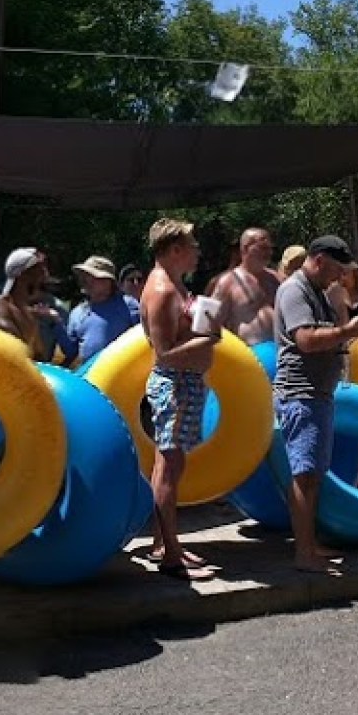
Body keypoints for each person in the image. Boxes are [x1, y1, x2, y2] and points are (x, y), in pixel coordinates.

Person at [274, 235, 358, 574]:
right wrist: (346, 332)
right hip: (301, 395)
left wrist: (354, 320)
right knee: (304, 476)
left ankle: (310, 544)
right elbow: (305, 340)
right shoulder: (294, 290)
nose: (337, 276)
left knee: (313, 475)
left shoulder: (317, 291)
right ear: (317, 260)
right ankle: (304, 553)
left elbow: (334, 329)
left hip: (316, 394)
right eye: (334, 268)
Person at [140, 219, 219, 581]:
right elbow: (165, 353)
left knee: (167, 466)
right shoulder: (161, 290)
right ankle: (171, 555)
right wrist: (209, 338)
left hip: (184, 385)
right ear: (175, 250)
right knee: (169, 470)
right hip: (174, 385)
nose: (198, 251)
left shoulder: (174, 286)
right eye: (193, 245)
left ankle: (165, 543)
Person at [210, 226, 281, 345]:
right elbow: (211, 323)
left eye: (270, 248)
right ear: (245, 248)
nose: (268, 252)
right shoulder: (227, 282)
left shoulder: (277, 279)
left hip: (278, 353)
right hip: (248, 355)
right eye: (263, 248)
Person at [67, 255, 140, 362]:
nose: (86, 280)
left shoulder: (128, 305)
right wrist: (55, 322)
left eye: (93, 277)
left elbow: (145, 340)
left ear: (108, 282)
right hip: (88, 375)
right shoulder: (77, 313)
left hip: (124, 373)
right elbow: (70, 352)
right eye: (84, 276)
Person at [0, 247, 48, 360]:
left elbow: (39, 356)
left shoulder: (29, 313)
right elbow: (15, 346)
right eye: (39, 270)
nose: (44, 275)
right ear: (22, 274)